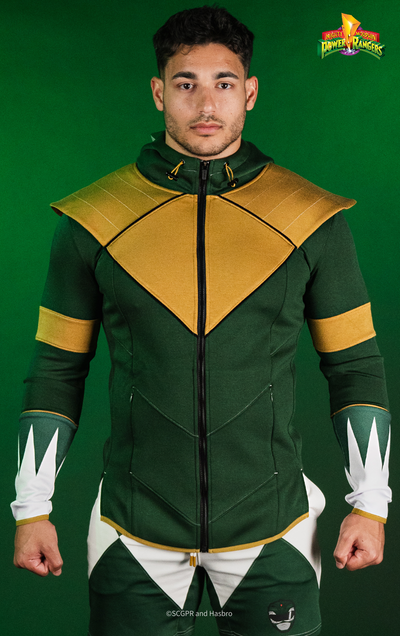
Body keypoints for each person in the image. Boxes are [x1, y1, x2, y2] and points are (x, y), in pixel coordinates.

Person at [12, 6, 391, 636]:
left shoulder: (313, 218)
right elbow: (56, 371)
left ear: (250, 92)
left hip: (275, 531)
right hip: (132, 534)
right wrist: (31, 510)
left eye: (224, 82)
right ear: (159, 92)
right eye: (186, 83)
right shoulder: (92, 220)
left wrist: (370, 505)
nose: (207, 104)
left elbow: (354, 367)